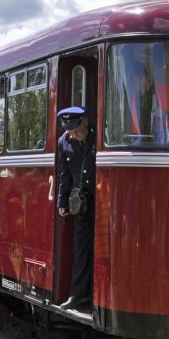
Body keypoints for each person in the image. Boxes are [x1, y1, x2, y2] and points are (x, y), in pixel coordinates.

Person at [56, 107, 96, 313]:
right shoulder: (63, 142)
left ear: (86, 121)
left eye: (76, 130)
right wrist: (62, 201)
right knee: (81, 250)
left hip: (102, 202)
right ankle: (78, 297)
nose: (73, 134)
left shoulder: (101, 137)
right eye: (69, 131)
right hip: (81, 204)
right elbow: (65, 175)